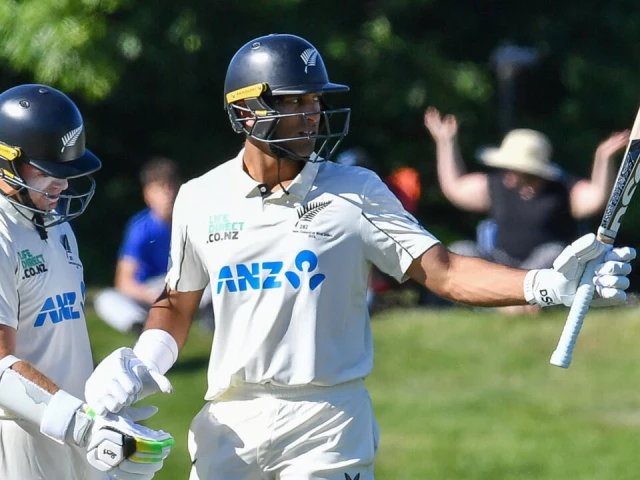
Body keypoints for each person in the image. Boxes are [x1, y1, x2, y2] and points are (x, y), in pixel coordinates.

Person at [83, 34, 635, 480]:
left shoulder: (358, 191)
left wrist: (546, 284)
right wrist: (143, 362)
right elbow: (177, 302)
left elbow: (443, 271)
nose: (313, 115)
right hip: (229, 418)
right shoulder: (199, 198)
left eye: (315, 101)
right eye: (295, 102)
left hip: (327, 419)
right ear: (248, 111)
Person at [0, 84, 174, 480]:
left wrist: (103, 406)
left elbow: (63, 334)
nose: (63, 185)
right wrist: (80, 424)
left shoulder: (58, 225)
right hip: (18, 438)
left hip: (73, 431)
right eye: (49, 171)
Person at [424, 107, 630, 313]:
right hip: (502, 264)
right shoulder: (496, 187)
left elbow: (596, 197)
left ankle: (519, 302)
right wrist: (446, 142)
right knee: (462, 250)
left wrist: (603, 158)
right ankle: (504, 303)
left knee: (554, 253)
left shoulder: (561, 191)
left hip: (543, 270)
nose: (506, 171)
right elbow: (455, 188)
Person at [94, 157, 214, 334]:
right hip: (152, 291)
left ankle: (212, 319)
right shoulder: (140, 228)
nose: (167, 194)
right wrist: (153, 297)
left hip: (188, 288)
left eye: (171, 187)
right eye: (159, 188)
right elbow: (124, 281)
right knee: (105, 299)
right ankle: (144, 329)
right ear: (147, 195)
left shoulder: (196, 219)